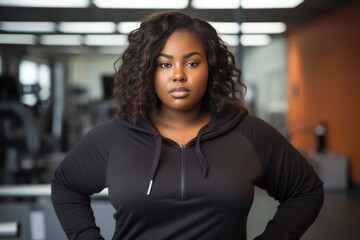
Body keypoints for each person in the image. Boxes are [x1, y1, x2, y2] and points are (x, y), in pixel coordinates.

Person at [51, 10, 324, 240]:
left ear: (211, 68)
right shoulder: (113, 137)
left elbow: (306, 191)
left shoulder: (248, 133)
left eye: (192, 63)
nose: (179, 75)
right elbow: (66, 185)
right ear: (147, 72)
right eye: (164, 65)